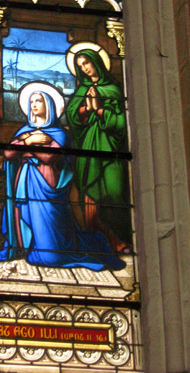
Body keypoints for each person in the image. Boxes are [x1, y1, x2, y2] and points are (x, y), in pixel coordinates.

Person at [0, 82, 124, 270]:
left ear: (48, 104)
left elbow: (49, 157)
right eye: (31, 101)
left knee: (51, 256)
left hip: (48, 185)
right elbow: (8, 154)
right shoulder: (24, 133)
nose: (34, 104)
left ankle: (65, 248)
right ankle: (27, 247)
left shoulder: (59, 133)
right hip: (25, 182)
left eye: (38, 100)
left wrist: (26, 148)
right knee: (29, 226)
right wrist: (31, 141)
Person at [66, 48, 131, 252]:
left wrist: (100, 110)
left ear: (96, 62)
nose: (85, 68)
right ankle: (100, 242)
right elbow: (73, 117)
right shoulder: (82, 90)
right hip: (88, 145)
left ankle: (121, 240)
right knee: (88, 193)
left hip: (110, 148)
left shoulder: (113, 89)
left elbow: (122, 122)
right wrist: (87, 108)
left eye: (87, 63)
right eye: (80, 66)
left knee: (114, 191)